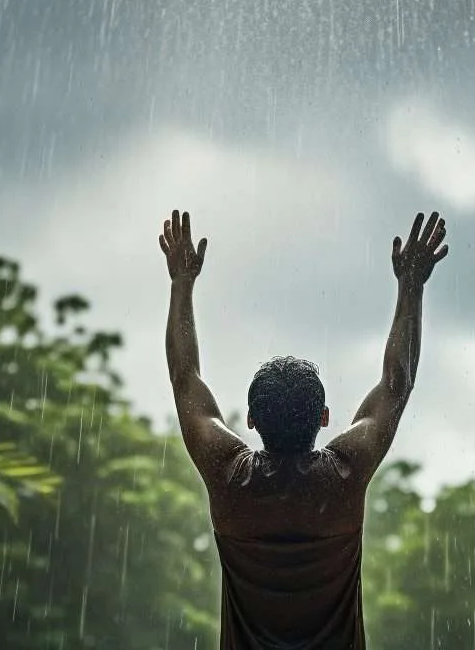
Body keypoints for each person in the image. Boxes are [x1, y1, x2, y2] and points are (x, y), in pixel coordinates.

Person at [158, 208, 449, 650]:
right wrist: (411, 285)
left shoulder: (229, 476)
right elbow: (397, 384)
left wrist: (181, 283)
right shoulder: (344, 474)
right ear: (325, 418)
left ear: (251, 420)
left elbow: (185, 378)